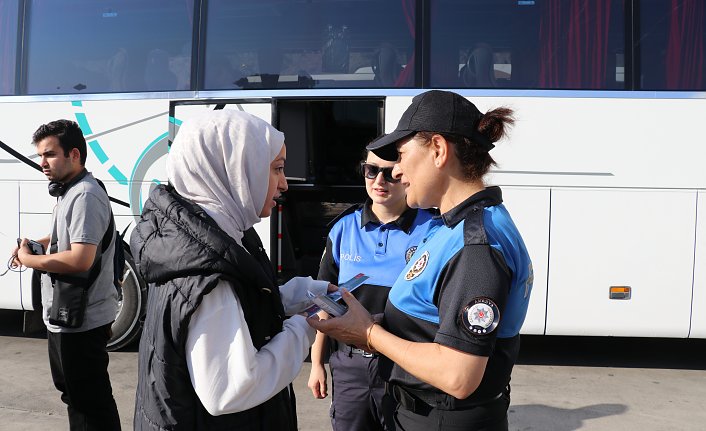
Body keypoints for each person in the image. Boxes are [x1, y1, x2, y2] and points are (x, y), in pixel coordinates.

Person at [309, 90, 533, 431]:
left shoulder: (475, 245)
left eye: (401, 156)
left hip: (442, 418)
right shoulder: (451, 226)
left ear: (439, 150)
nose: (395, 173)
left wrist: (368, 333)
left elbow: (459, 376)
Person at [130, 110, 335, 430]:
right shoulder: (208, 274)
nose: (283, 183)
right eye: (277, 169)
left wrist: (307, 293)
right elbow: (228, 391)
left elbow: (245, 306)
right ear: (237, 168)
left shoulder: (203, 240)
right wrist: (304, 327)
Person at [307, 149, 437, 431]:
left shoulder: (434, 230)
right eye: (371, 170)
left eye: (390, 173)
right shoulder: (343, 229)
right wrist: (316, 363)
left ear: (406, 176)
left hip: (405, 367)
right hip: (349, 367)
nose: (379, 180)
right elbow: (323, 304)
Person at [11, 119, 122, 430]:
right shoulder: (70, 191)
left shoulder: (84, 195)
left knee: (88, 403)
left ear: (74, 154)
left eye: (49, 155)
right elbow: (69, 238)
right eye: (40, 156)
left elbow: (80, 259)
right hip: (67, 317)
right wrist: (36, 244)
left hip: (82, 321)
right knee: (77, 397)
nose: (42, 164)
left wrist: (29, 261)